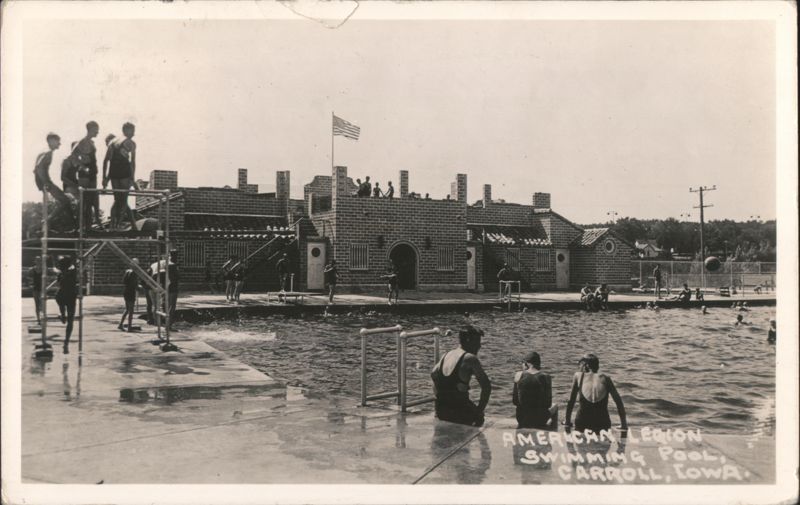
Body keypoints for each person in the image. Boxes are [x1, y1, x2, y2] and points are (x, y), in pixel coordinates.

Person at [431, 326, 492, 427]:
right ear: (468, 340)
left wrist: (439, 398)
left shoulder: (447, 354)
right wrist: (479, 411)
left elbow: (433, 375)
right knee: (480, 418)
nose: (479, 346)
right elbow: (487, 387)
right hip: (459, 411)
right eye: (477, 342)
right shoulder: (470, 358)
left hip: (441, 410)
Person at [564, 353, 627, 434]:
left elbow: (571, 401)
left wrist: (567, 421)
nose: (579, 368)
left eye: (580, 365)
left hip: (582, 423)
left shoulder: (578, 376)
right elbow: (618, 402)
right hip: (602, 424)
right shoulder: (606, 378)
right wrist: (624, 425)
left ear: (585, 366)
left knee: (582, 446)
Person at [34, 133, 76, 231]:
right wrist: (46, 182)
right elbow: (39, 167)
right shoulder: (48, 152)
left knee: (65, 201)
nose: (60, 144)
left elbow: (38, 167)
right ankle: (47, 221)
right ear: (51, 141)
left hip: (42, 180)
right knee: (65, 200)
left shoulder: (46, 151)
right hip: (45, 181)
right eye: (58, 141)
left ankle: (49, 222)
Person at [103, 123, 139, 229]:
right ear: (126, 130)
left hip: (114, 173)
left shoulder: (112, 142)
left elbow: (106, 161)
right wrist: (132, 178)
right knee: (123, 200)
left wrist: (104, 178)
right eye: (132, 130)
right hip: (124, 174)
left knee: (118, 199)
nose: (134, 133)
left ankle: (113, 226)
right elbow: (132, 162)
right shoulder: (131, 143)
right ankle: (117, 225)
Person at [512, 351, 558, 430]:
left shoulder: (518, 375)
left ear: (526, 363)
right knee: (555, 406)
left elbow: (515, 401)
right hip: (540, 420)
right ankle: (552, 432)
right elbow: (548, 403)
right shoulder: (546, 377)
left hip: (522, 419)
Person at [74, 121, 102, 227]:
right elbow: (73, 155)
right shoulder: (82, 141)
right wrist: (82, 166)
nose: (98, 132)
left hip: (93, 173)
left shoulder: (91, 142)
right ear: (90, 129)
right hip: (85, 174)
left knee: (91, 200)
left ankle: (89, 226)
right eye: (96, 129)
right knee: (84, 201)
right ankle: (79, 227)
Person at [55, 256, 79, 353]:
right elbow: (74, 266)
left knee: (58, 298)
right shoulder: (73, 272)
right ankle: (66, 342)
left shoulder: (61, 274)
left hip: (63, 295)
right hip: (71, 297)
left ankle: (62, 314)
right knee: (70, 321)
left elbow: (58, 283)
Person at [119, 258, 140, 331]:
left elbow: (124, 281)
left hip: (126, 291)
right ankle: (129, 327)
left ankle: (121, 324)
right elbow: (134, 284)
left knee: (127, 309)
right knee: (131, 310)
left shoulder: (127, 271)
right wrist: (138, 287)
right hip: (131, 292)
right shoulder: (134, 273)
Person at [31, 256, 43, 326]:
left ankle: (41, 317)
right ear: (35, 261)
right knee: (37, 304)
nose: (38, 261)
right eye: (37, 260)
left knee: (41, 304)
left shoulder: (43, 269)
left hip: (42, 288)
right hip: (35, 288)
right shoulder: (32, 269)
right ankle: (38, 319)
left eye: (39, 260)